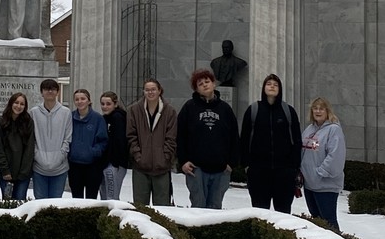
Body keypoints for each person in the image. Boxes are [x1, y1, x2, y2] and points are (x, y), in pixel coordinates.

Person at [177, 68, 239, 209]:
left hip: (221, 170)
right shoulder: (189, 108)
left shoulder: (225, 109)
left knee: (215, 209)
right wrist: (183, 161)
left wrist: (231, 163)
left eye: (207, 81)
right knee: (198, 207)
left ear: (214, 84)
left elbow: (234, 137)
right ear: (196, 89)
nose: (205, 85)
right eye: (200, 84)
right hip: (196, 169)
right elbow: (180, 136)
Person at [241, 74, 302, 213]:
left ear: (280, 89)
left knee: (283, 212)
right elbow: (244, 138)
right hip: (258, 171)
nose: (272, 86)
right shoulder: (253, 110)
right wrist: (246, 164)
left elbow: (297, 140)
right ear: (263, 88)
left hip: (284, 171)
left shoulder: (288, 111)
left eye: (275, 84)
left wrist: (294, 166)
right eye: (269, 84)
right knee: (260, 211)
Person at [126, 79, 178, 206]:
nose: (150, 92)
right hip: (140, 167)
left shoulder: (169, 111)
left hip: (162, 167)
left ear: (159, 91)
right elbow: (131, 136)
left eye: (153, 89)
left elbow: (171, 138)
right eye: (147, 90)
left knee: (163, 208)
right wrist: (138, 156)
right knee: (140, 207)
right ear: (143, 92)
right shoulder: (134, 110)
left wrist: (165, 157)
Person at [301, 97, 346, 231]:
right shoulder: (309, 129)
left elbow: (335, 155)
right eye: (315, 108)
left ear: (327, 111)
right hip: (309, 185)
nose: (318, 111)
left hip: (326, 185)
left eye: (321, 108)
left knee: (328, 221)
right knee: (316, 221)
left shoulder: (334, 130)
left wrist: (319, 173)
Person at [30, 78, 72, 198]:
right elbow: (31, 139)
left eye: (53, 89)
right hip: (39, 168)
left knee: (56, 204)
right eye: (46, 89)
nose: (50, 91)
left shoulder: (66, 112)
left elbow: (67, 138)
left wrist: (60, 155)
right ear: (41, 92)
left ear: (57, 92)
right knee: (40, 205)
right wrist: (37, 155)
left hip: (60, 168)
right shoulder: (34, 112)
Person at [0, 92, 35, 201]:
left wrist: (24, 172)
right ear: (11, 103)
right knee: (7, 205)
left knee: (20, 203)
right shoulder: (0, 121)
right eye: (16, 102)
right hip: (6, 174)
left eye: (22, 104)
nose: (18, 106)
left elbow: (29, 149)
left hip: (23, 174)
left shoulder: (28, 122)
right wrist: (5, 170)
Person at [69, 89, 108, 199]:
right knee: (76, 200)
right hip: (74, 165)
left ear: (89, 101)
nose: (80, 101)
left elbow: (103, 140)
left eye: (83, 99)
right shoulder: (70, 117)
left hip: (93, 166)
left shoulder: (98, 119)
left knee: (91, 199)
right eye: (77, 99)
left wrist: (92, 152)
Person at [99, 92, 130, 200]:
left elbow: (120, 141)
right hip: (106, 162)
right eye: (102, 104)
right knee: (105, 194)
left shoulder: (118, 117)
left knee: (111, 197)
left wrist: (115, 162)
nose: (105, 107)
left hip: (114, 163)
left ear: (115, 104)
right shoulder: (104, 118)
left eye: (108, 104)